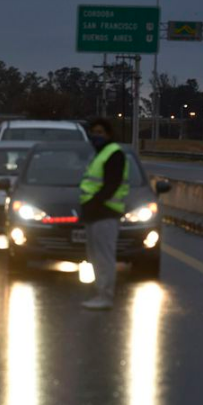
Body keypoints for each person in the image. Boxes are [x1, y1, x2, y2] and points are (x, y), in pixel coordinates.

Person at [79, 118, 129, 310]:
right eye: (93, 132)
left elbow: (111, 185)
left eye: (100, 132)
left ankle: (105, 296)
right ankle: (100, 293)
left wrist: (94, 202)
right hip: (96, 213)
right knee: (95, 257)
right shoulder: (99, 154)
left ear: (109, 134)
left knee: (103, 257)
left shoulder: (114, 154)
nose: (96, 136)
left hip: (106, 212)